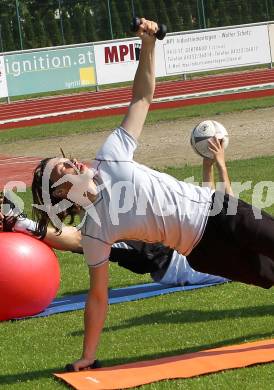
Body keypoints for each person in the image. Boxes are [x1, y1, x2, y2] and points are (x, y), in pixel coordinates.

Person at [30, 17, 274, 371]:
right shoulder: (96, 231)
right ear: (62, 194)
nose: (73, 163)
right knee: (269, 276)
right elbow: (98, 297)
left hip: (221, 212)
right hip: (202, 254)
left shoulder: (110, 155)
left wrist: (149, 44)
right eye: (63, 169)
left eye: (67, 160)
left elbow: (142, 97)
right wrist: (87, 355)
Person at [0, 188, 228, 286]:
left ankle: (18, 221)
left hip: (174, 262)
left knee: (88, 239)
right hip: (177, 253)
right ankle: (18, 221)